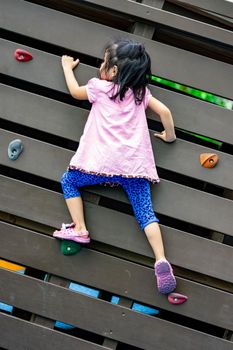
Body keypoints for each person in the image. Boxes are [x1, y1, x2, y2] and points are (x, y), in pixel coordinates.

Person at [53, 39, 177, 294]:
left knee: (69, 181)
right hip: (133, 168)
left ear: (113, 72)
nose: (101, 65)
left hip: (101, 165)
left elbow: (76, 92)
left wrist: (66, 67)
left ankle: (80, 228)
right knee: (145, 213)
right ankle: (161, 259)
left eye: (104, 62)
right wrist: (169, 136)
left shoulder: (99, 87)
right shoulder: (142, 93)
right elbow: (164, 112)